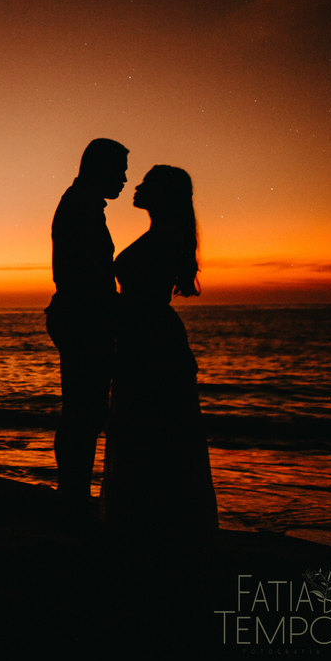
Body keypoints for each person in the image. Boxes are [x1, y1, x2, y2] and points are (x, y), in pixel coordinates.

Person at [101, 165, 218, 541]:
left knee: (152, 426)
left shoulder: (166, 237)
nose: (136, 187)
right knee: (147, 427)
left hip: (151, 339)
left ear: (162, 194)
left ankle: (152, 522)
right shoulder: (161, 234)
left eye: (147, 184)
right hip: (145, 334)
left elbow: (146, 296)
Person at [45, 138, 129, 524]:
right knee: (84, 411)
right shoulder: (80, 206)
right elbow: (83, 272)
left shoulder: (85, 204)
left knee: (84, 411)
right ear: (101, 168)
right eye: (120, 170)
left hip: (80, 316)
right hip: (83, 318)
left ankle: (73, 493)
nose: (126, 179)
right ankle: (73, 495)